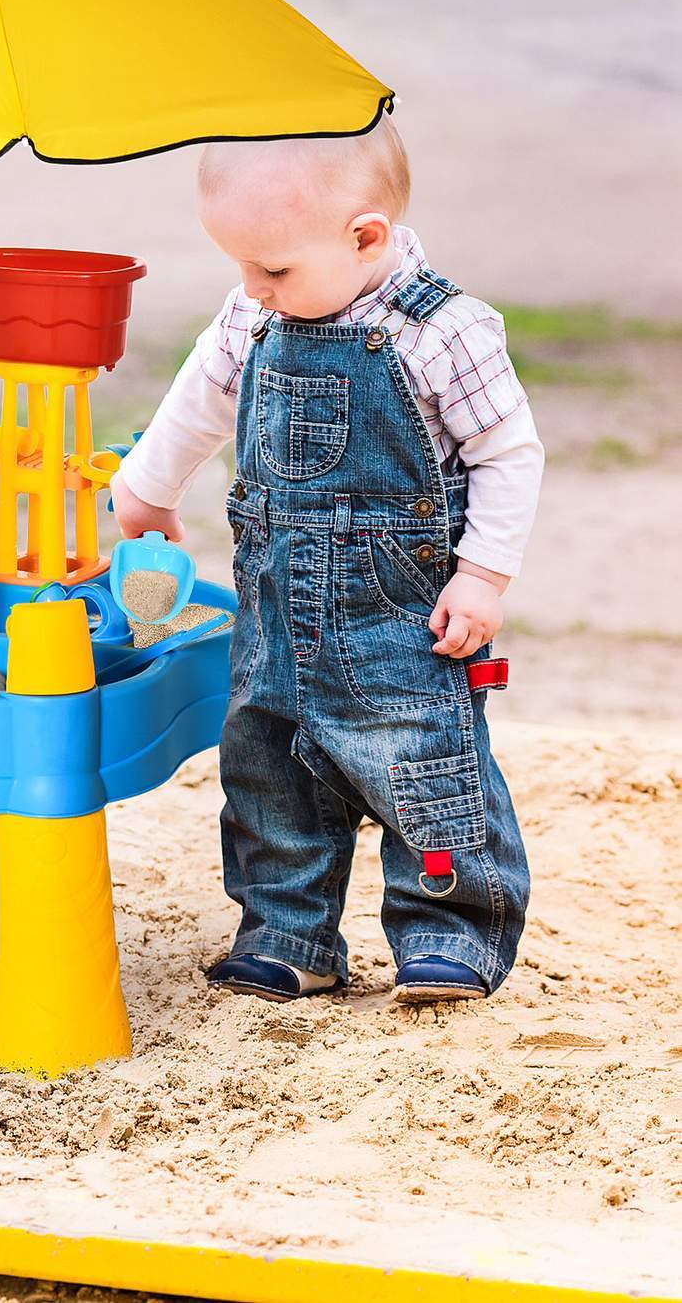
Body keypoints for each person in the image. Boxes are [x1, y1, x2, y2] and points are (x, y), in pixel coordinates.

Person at [111, 117, 541, 1005]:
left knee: (421, 767)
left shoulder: (444, 331)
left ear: (366, 236)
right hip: (273, 609)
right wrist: (148, 489)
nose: (253, 289)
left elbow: (509, 453)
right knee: (270, 770)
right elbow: (197, 400)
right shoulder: (253, 316)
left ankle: (448, 935)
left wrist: (484, 573)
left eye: (273, 269)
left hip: (402, 616)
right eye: (240, 266)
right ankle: (287, 932)